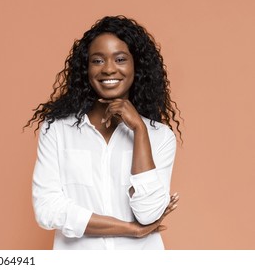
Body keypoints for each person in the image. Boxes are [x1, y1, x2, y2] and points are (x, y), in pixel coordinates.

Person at [24, 16, 182, 250]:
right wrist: (131, 229)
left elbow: (148, 213)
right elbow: (47, 209)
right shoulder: (57, 130)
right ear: (86, 69)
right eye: (97, 60)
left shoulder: (159, 136)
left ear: (136, 67)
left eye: (120, 59)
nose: (108, 69)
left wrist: (139, 130)